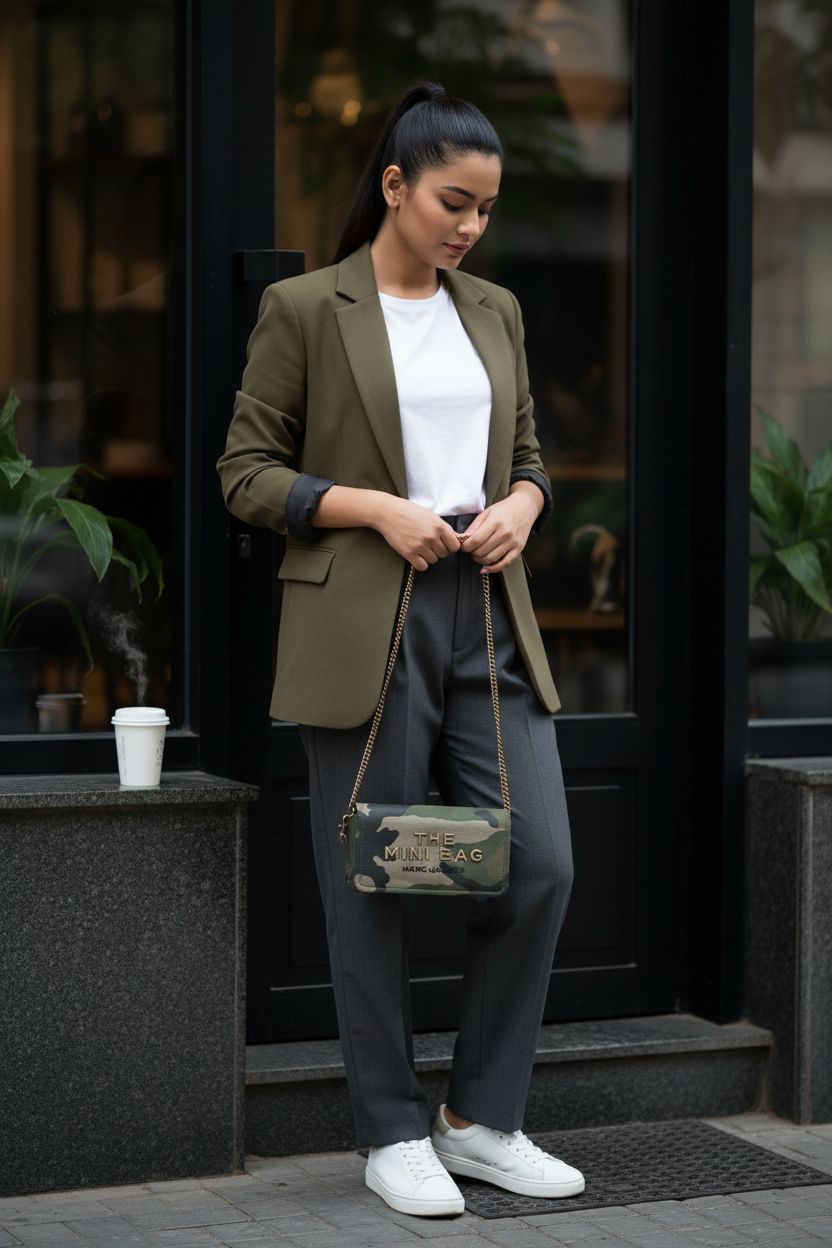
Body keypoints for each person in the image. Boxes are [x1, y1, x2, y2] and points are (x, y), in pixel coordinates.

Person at [216, 80, 581, 1219]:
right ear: (393, 186)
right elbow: (246, 474)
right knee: (368, 875)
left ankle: (478, 1118)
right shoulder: (304, 307)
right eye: (451, 202)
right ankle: (386, 1128)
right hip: (363, 612)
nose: (469, 226)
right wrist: (373, 507)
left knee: (540, 862)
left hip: (484, 609)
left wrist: (526, 499)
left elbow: (526, 451)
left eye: (483, 209)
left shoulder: (495, 311)